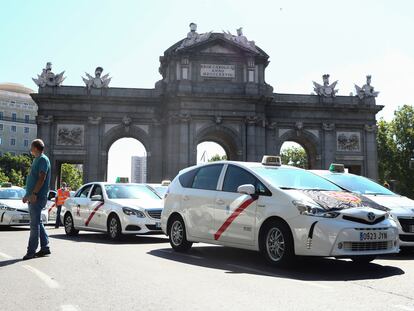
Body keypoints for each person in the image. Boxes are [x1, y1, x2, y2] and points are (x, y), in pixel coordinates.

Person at [22, 139, 51, 260]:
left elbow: (42, 177)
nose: (30, 150)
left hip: (37, 197)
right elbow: (34, 179)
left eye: (31, 148)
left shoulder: (43, 159)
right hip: (34, 196)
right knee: (38, 222)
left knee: (34, 225)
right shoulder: (37, 159)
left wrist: (33, 193)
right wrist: (27, 195)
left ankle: (31, 251)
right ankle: (45, 248)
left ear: (35, 148)